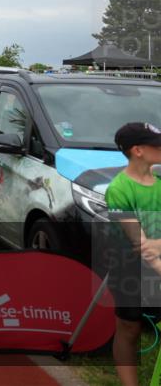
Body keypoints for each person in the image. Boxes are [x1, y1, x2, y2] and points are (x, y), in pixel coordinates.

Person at [105, 122, 161, 386]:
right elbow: (140, 244)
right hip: (130, 268)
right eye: (157, 144)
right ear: (138, 151)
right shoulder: (118, 189)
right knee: (129, 328)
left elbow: (152, 245)